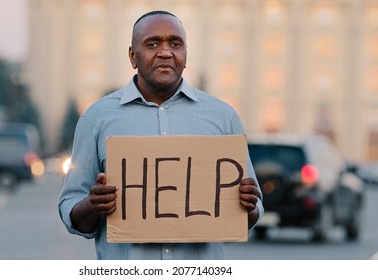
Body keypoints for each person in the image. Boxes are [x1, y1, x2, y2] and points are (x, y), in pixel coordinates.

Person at [58, 10, 264, 260]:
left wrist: (248, 206)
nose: (165, 52)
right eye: (152, 43)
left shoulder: (224, 117)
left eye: (175, 44)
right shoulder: (96, 119)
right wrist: (93, 206)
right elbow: (71, 209)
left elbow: (251, 216)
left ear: (185, 55)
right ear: (133, 56)